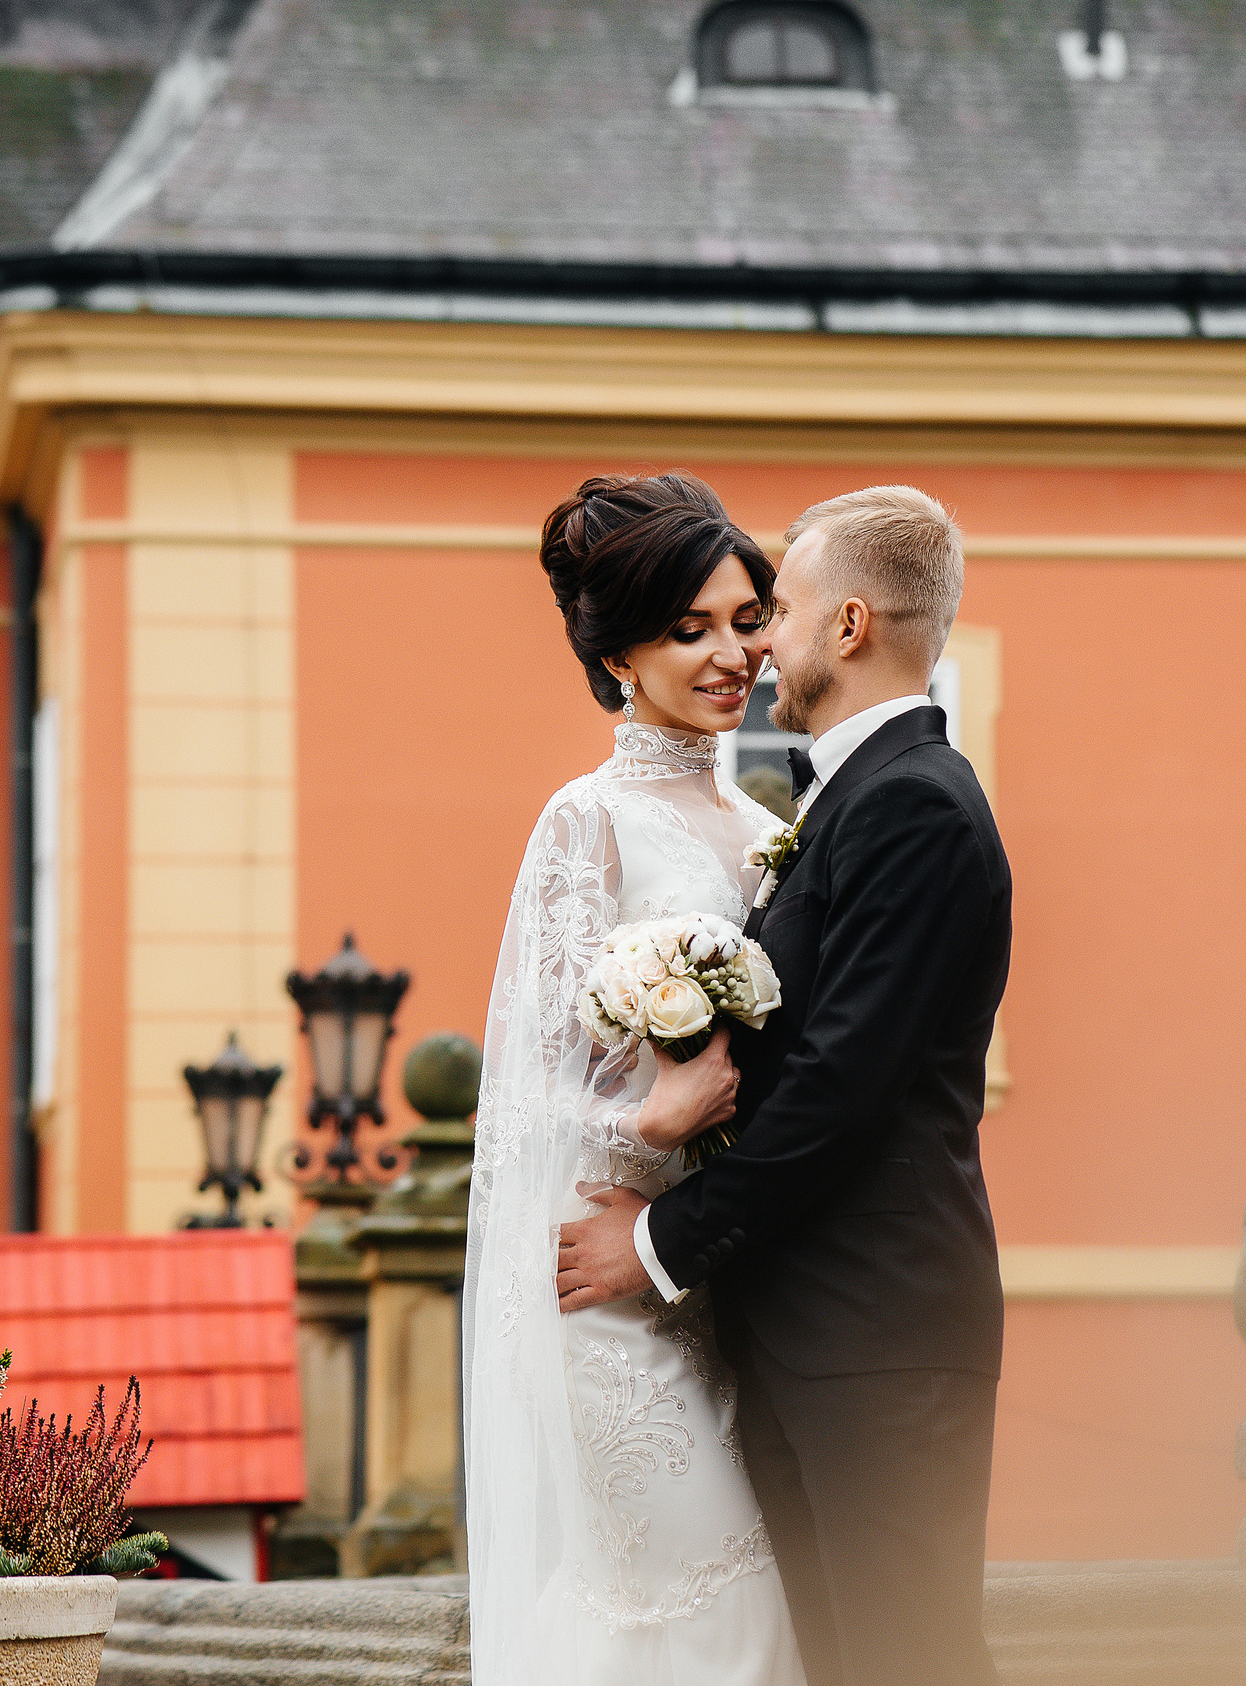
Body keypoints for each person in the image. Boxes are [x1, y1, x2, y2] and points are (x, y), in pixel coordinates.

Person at [555, 486, 1012, 1686]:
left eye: (781, 609)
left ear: (849, 624)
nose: (760, 643)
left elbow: (838, 1090)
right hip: (814, 1331)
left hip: (880, 1338)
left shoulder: (913, 805)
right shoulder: (840, 799)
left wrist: (656, 1241)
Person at [467, 472, 805, 1686]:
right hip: (601, 1288)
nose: (734, 654)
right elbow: (522, 1089)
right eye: (691, 628)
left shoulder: (768, 828)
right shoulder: (586, 820)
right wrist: (642, 1113)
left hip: (722, 1278)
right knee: (708, 1601)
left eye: (748, 618)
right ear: (617, 651)